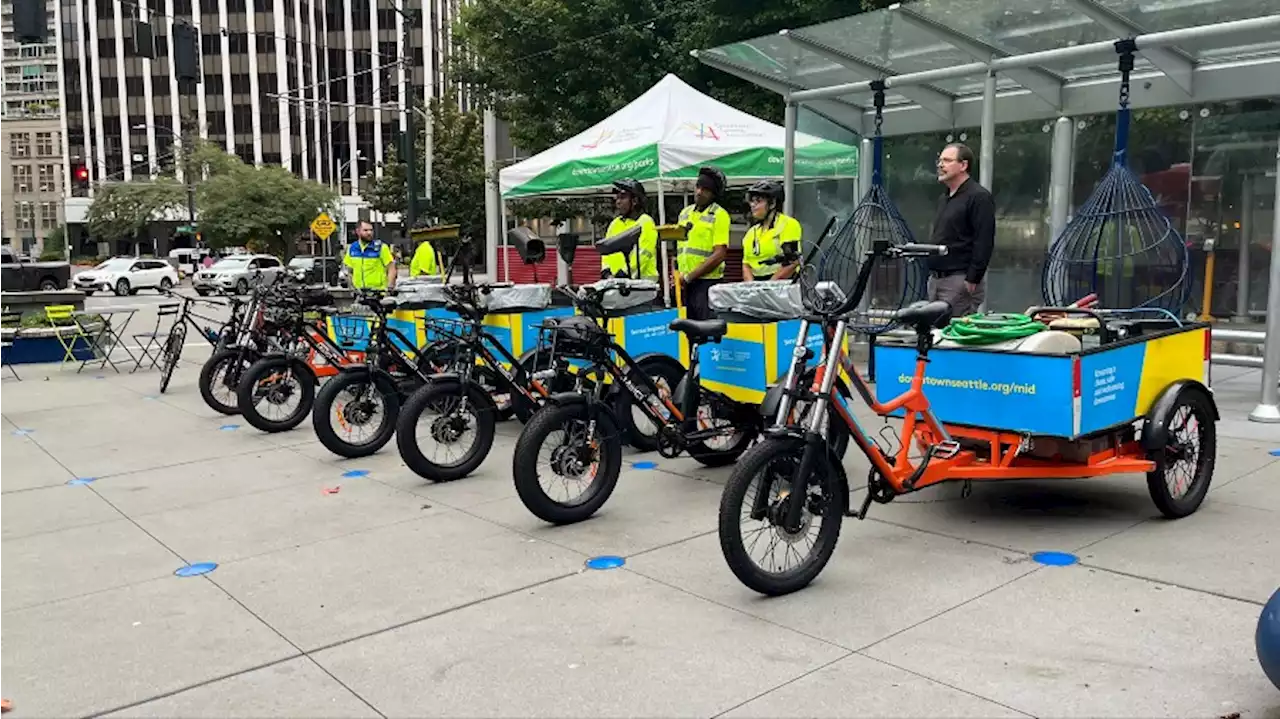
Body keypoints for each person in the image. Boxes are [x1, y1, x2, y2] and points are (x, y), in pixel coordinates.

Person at [927, 142, 995, 318]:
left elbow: (984, 240)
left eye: (947, 160)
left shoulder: (979, 197)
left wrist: (973, 278)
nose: (941, 165)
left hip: (959, 279)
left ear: (963, 165)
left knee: (952, 335)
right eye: (940, 160)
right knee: (935, 334)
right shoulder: (944, 198)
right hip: (936, 279)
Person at [676, 166, 730, 319]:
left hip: (707, 284)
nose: (699, 192)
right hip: (685, 284)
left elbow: (719, 254)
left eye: (705, 189)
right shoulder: (685, 213)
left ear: (714, 194)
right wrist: (679, 275)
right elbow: (680, 249)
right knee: (686, 331)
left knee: (706, 331)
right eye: (698, 187)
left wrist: (689, 277)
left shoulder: (720, 215)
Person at [740, 180, 802, 281]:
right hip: (756, 285)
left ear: (772, 203)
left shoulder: (788, 224)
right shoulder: (751, 232)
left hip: (783, 285)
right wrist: (751, 287)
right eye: (752, 200)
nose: (752, 205)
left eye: (758, 201)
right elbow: (746, 265)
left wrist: (769, 286)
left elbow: (792, 262)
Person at [601, 178, 658, 280]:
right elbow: (606, 251)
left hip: (642, 285)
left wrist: (625, 272)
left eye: (622, 198)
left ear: (635, 201)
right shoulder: (615, 224)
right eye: (617, 198)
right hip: (617, 283)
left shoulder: (645, 222)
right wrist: (606, 271)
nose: (618, 202)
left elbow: (643, 254)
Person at [342, 220, 397, 292]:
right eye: (365, 230)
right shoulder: (352, 248)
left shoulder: (381, 248)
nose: (369, 233)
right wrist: (351, 287)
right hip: (359, 292)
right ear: (358, 231)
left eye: (371, 230)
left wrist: (390, 288)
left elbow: (391, 268)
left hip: (378, 292)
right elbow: (349, 271)